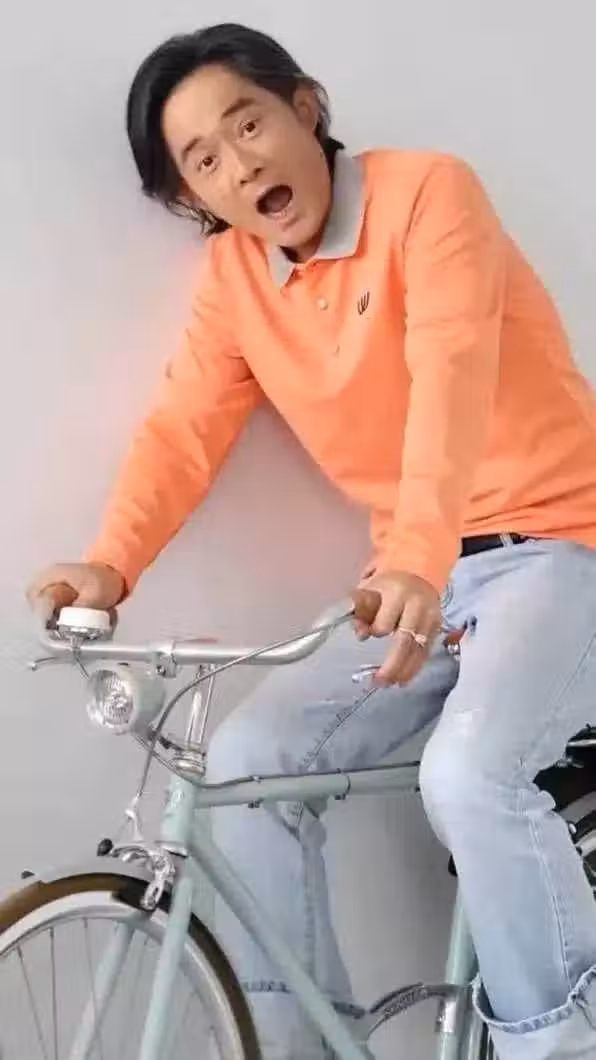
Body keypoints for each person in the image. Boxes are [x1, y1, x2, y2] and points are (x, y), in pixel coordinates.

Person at [27, 22, 596, 1060]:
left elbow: (451, 373)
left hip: (560, 546)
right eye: (203, 161)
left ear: (305, 106)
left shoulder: (429, 194)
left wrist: (417, 554)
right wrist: (110, 565)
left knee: (469, 777)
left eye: (246, 124)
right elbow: (184, 428)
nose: (238, 166)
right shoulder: (234, 280)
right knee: (247, 763)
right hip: (417, 581)